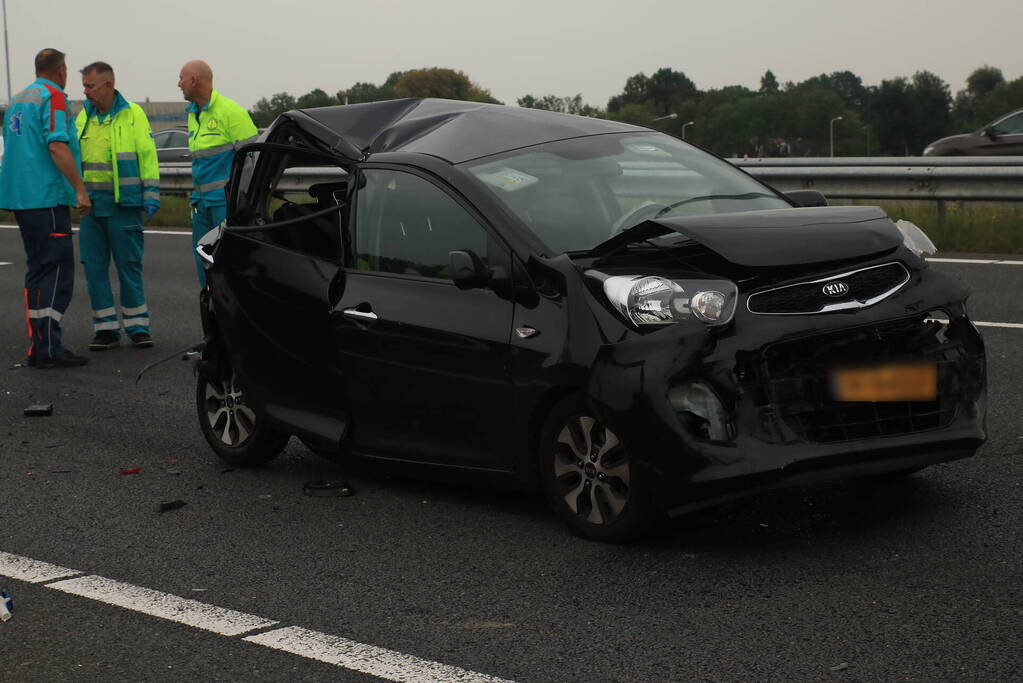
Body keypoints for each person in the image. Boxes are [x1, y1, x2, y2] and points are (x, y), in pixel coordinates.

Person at [0, 48, 91, 369]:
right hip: (46, 196)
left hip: (20, 198)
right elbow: (56, 144)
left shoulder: (17, 100)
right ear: (61, 71)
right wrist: (80, 189)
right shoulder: (53, 97)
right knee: (55, 270)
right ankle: (48, 347)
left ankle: (40, 344)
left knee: (38, 270)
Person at [76, 61, 160, 350]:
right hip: (90, 209)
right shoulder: (83, 116)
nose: (85, 91)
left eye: (90, 85)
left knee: (129, 267)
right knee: (94, 269)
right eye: (84, 85)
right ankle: (106, 329)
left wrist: (151, 193)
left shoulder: (132, 114)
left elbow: (147, 157)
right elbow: (75, 158)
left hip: (123, 205)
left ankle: (138, 327)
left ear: (108, 85)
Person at [177, 60, 258, 286]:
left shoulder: (231, 112)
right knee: (204, 269)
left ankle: (229, 319)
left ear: (194, 80)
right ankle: (211, 314)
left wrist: (241, 203)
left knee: (227, 269)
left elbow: (254, 160)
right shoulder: (193, 114)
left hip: (225, 205)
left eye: (181, 78)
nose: (178, 84)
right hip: (201, 206)